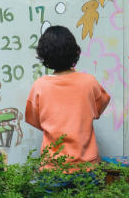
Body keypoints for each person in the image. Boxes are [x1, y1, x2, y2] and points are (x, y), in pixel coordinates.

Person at [25, 25, 111, 167]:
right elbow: (100, 107)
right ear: (74, 51)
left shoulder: (39, 86)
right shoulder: (89, 82)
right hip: (86, 166)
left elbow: (36, 120)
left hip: (53, 167)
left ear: (44, 55)